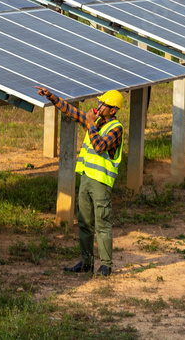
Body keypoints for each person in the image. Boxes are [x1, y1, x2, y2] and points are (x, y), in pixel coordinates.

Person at [36, 86, 124, 277]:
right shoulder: (97, 122)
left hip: (101, 182)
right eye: (99, 103)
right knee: (84, 223)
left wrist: (91, 125)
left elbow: (100, 146)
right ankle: (86, 262)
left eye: (103, 104)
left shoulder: (116, 128)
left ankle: (106, 265)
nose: (98, 106)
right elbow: (70, 111)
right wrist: (52, 96)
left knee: (102, 223)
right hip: (86, 178)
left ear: (113, 110)